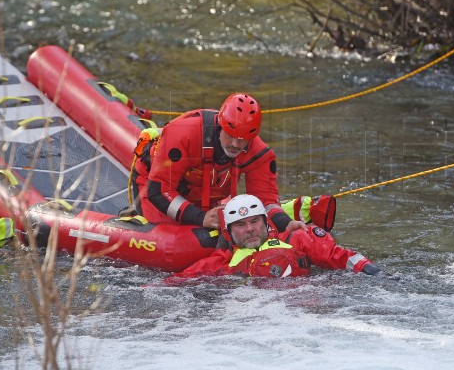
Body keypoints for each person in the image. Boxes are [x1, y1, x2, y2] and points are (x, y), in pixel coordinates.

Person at [130, 93, 306, 233]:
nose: (236, 144)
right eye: (231, 136)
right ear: (221, 126)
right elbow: (159, 189)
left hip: (204, 192)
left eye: (243, 140)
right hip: (157, 187)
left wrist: (285, 224)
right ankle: (133, 216)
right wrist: (200, 218)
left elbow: (265, 199)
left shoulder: (260, 153)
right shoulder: (184, 134)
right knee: (174, 239)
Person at [171, 194, 382, 278]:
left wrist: (374, 272)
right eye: (241, 225)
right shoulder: (218, 264)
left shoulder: (296, 239)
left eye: (255, 222)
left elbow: (340, 257)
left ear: (265, 223)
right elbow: (177, 283)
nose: (250, 229)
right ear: (228, 232)